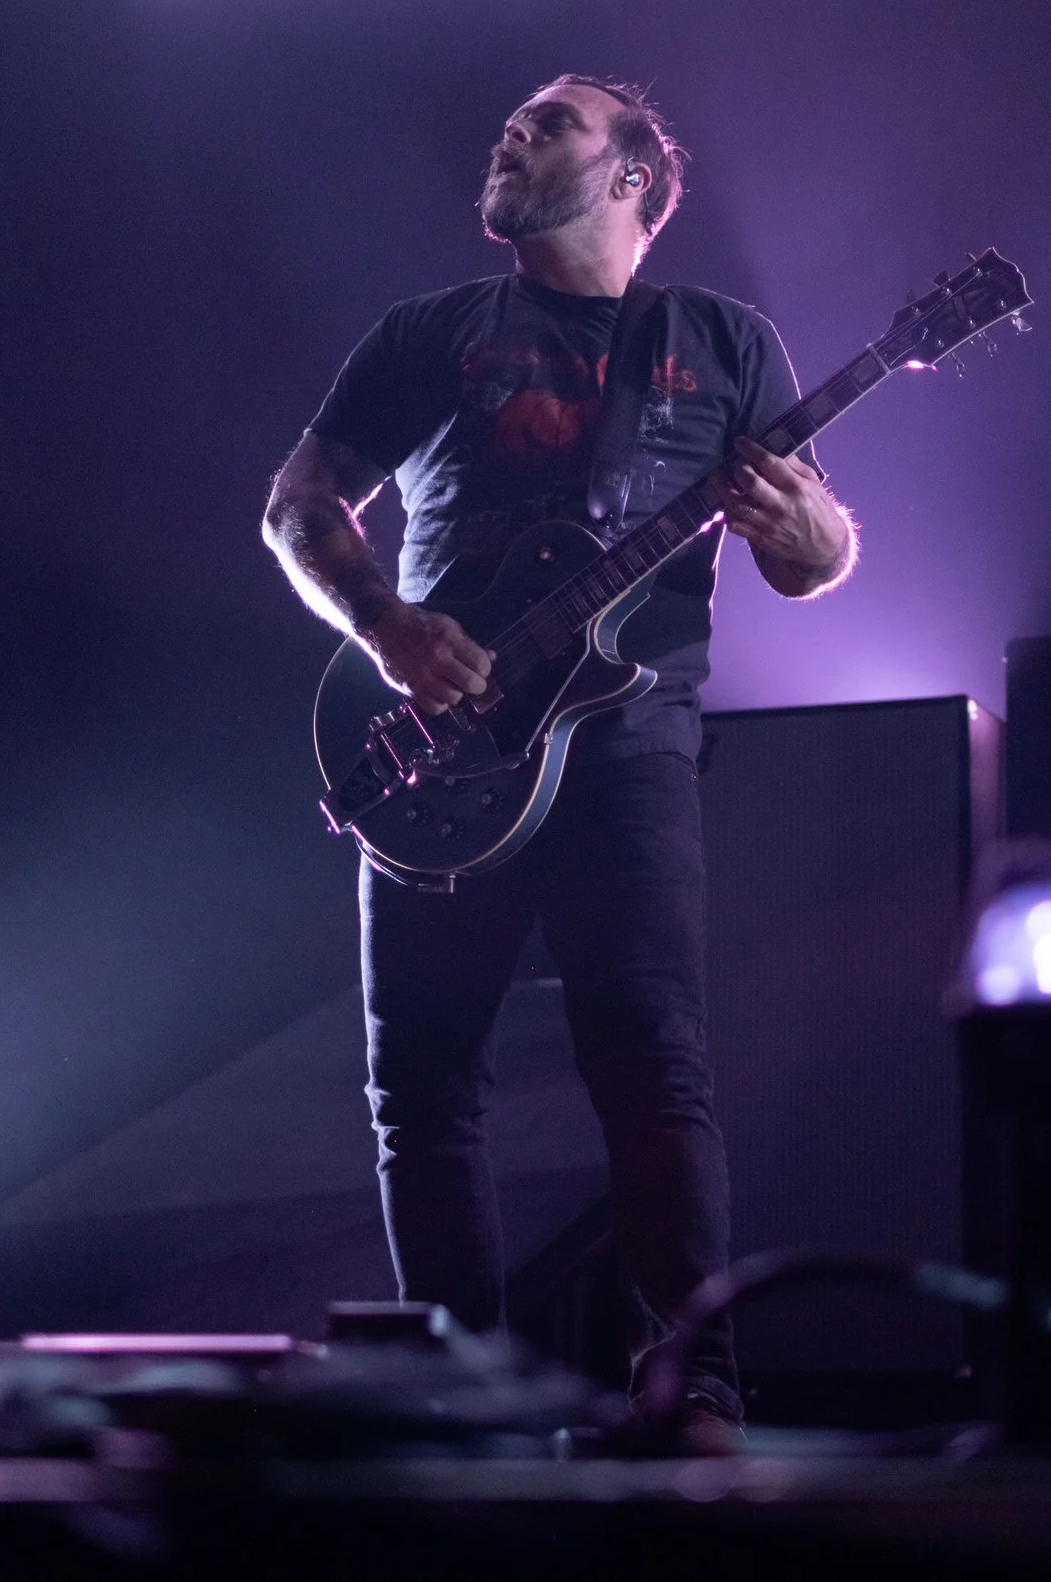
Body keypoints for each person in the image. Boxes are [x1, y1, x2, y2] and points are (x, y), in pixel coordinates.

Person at [261, 76, 855, 1452]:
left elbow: (810, 556)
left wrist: (809, 530)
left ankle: (696, 1390)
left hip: (627, 742)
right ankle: (457, 1398)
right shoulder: (429, 333)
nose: (512, 132)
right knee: (423, 1093)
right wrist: (387, 627)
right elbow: (298, 504)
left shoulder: (724, 341)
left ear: (634, 179)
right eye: (515, 123)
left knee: (654, 1067)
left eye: (552, 122)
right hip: (442, 743)